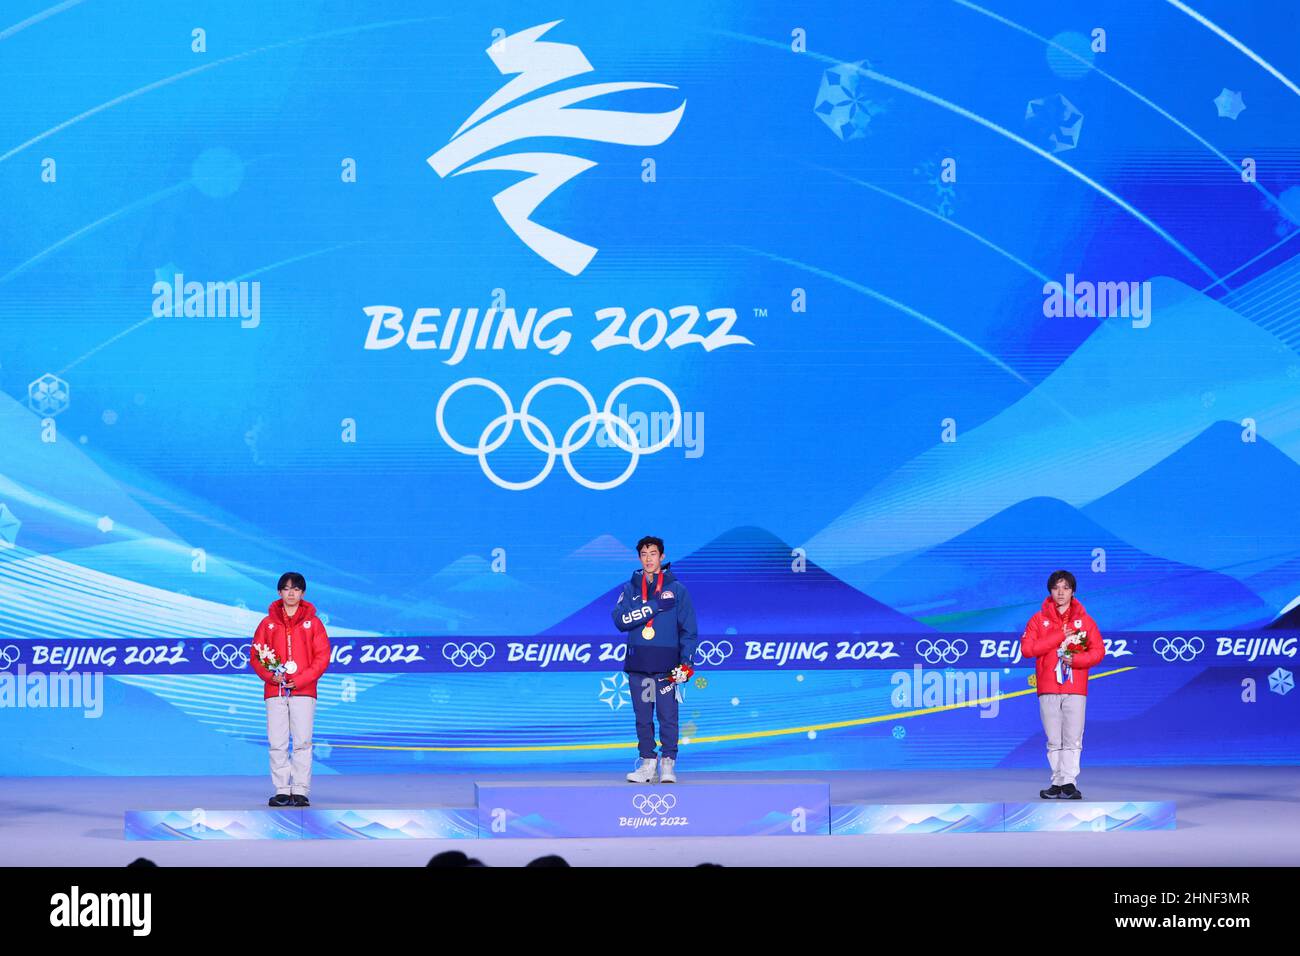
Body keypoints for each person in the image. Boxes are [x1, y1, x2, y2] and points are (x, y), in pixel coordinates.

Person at [611, 536, 698, 784]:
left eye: (653, 553)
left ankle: (668, 764)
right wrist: (654, 606)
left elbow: (689, 630)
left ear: (662, 556)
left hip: (667, 667)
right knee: (643, 717)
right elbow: (620, 621)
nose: (648, 559)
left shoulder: (678, 590)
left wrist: (686, 662)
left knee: (668, 716)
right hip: (639, 664)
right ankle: (647, 764)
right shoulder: (630, 590)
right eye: (644, 554)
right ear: (639, 558)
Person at [1019, 570, 1105, 800]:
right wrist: (1057, 636)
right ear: (1050, 590)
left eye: (1065, 587)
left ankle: (1068, 781)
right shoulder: (1038, 620)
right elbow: (1028, 650)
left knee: (1073, 737)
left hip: (1075, 687)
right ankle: (1057, 782)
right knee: (1054, 739)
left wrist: (1076, 660)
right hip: (1048, 686)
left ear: (1073, 591)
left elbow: (1098, 652)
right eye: (1056, 587)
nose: (1060, 592)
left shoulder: (1084, 621)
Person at [248, 572, 330, 807]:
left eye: (295, 589)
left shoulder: (313, 624)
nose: (291, 593)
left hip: (303, 691)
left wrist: (302, 679)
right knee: (277, 742)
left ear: (303, 593)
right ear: (279, 592)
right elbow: (256, 656)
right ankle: (283, 789)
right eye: (286, 588)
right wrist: (271, 676)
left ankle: (301, 789)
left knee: (303, 741)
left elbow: (322, 657)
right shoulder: (267, 623)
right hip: (275, 692)